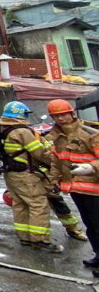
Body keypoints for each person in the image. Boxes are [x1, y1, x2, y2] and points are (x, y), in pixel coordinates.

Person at [0, 100, 62, 253]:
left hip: (11, 175)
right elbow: (39, 153)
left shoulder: (3, 128)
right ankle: (40, 240)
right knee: (38, 204)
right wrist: (55, 160)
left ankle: (25, 237)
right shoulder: (22, 131)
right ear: (20, 114)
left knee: (20, 205)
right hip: (25, 175)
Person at [44, 98, 99, 265]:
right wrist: (53, 182)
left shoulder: (90, 134)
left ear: (71, 113)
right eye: (56, 116)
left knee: (98, 225)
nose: (61, 119)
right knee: (90, 224)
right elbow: (56, 162)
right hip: (75, 189)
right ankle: (98, 256)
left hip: (94, 189)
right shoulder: (57, 137)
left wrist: (91, 167)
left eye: (63, 114)